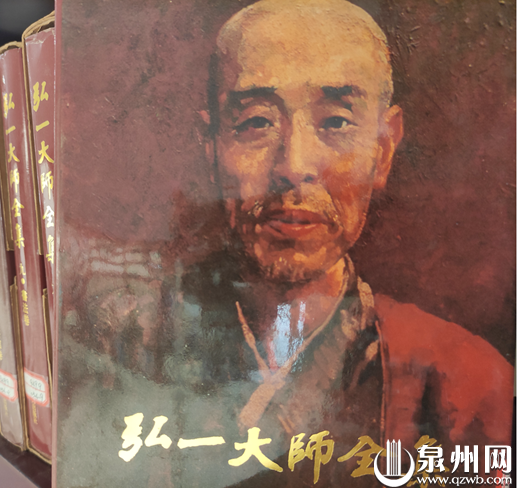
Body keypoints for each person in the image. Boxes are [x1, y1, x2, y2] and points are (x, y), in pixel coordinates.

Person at [58, 1, 513, 486]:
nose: (294, 166)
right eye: (257, 122)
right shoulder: (123, 341)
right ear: (211, 143)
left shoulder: (462, 380)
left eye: (336, 122)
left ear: (383, 149)